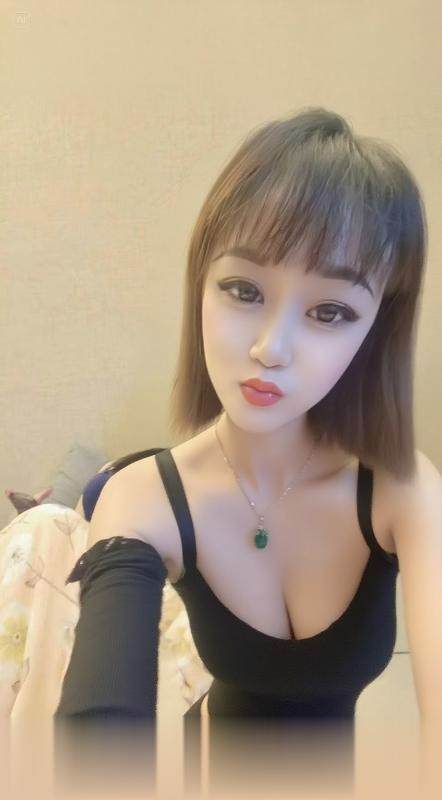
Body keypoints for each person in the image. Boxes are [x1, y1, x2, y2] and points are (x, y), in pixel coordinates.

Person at [54, 105, 432, 798]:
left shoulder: (399, 489)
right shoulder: (145, 498)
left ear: (377, 328)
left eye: (330, 311)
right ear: (201, 283)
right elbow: (100, 717)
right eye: (244, 290)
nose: (270, 348)